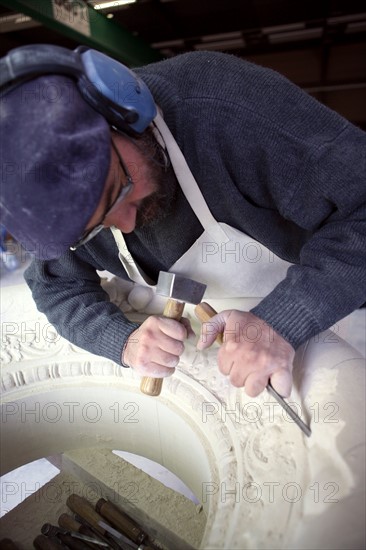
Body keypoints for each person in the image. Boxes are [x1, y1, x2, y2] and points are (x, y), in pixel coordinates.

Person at [1, 45, 365, 399]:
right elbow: (56, 286)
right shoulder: (50, 209)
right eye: (98, 226)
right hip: (216, 354)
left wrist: (284, 318)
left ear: (118, 111)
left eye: (119, 189)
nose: (126, 225)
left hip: (328, 307)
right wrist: (123, 342)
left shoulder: (224, 108)